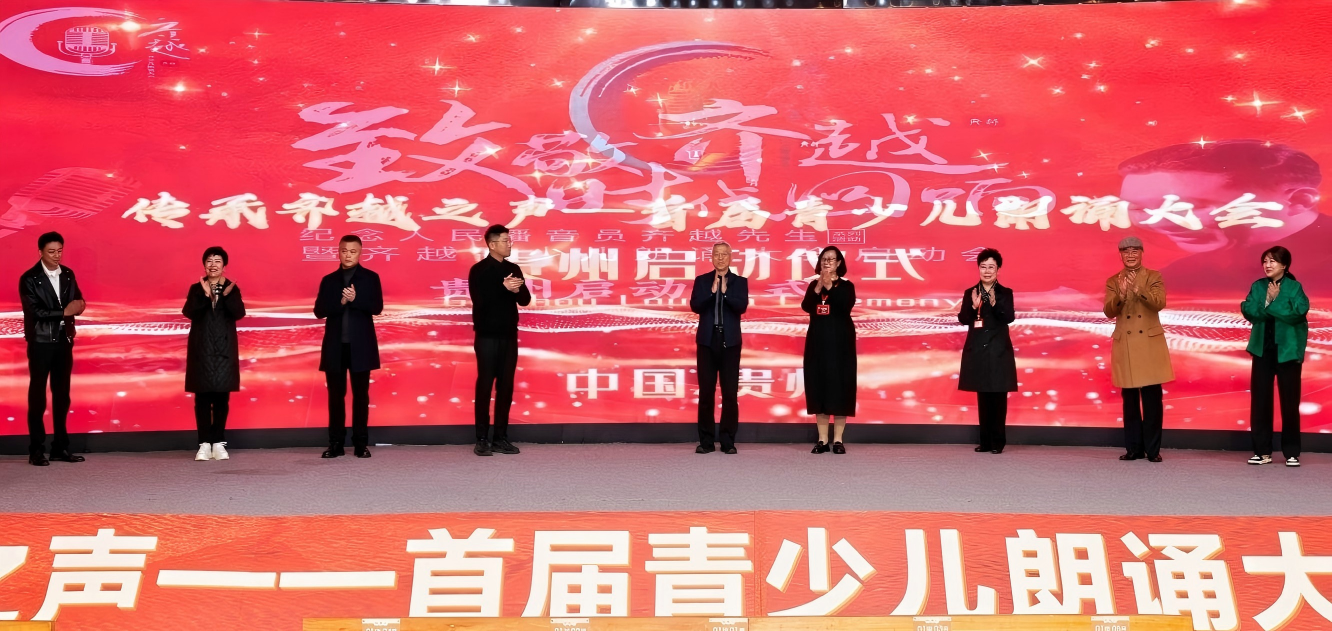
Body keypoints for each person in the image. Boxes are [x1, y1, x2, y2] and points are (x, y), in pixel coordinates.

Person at [1118, 140, 1329, 295]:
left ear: (1299, 201)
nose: (1160, 222)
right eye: (1140, 209)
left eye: (1186, 207)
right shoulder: (1178, 278)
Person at [1104, 236, 1174, 463]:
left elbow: (1159, 303)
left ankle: (1153, 450)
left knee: (1152, 399)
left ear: (1142, 253)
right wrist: (1121, 295)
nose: (1131, 255)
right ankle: (1134, 449)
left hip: (1149, 344)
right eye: (1126, 251)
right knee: (1130, 400)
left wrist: (1138, 289)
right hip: (1125, 343)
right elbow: (1108, 311)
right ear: (1121, 255)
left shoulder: (1154, 276)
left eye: (1135, 251)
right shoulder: (1113, 280)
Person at [313, 234, 383, 459]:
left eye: (353, 251)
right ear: (339, 251)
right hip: (335, 347)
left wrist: (355, 299)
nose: (348, 255)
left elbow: (377, 307)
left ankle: (361, 444)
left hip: (361, 346)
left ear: (360, 253)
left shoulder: (370, 278)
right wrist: (341, 302)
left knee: (361, 396)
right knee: (336, 396)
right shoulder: (329, 280)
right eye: (344, 251)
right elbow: (319, 311)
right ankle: (336, 444)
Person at [19, 231, 86, 467]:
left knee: (62, 395)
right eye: (51, 251)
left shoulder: (67, 274)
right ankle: (36, 450)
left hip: (64, 340)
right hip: (40, 342)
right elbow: (35, 311)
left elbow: (78, 301)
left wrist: (80, 306)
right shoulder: (30, 278)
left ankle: (60, 447)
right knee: (38, 395)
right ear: (40, 252)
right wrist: (65, 311)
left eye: (59, 251)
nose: (56, 255)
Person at [1240, 246, 1310, 467]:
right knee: (1260, 401)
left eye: (1272, 261)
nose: (1267, 265)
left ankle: (1291, 452)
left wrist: (1274, 302)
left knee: (1290, 402)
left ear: (1284, 265)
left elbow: (1298, 313)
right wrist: (1268, 302)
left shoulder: (1294, 287)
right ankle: (1262, 451)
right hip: (1263, 350)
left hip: (1287, 351)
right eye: (1265, 261)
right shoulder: (1258, 286)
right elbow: (1249, 310)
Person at [467, 224, 531, 457]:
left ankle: (500, 438)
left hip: (508, 335)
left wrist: (515, 290)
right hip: (486, 336)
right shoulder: (479, 270)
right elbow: (480, 301)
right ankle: (482, 438)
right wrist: (502, 288)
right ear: (492, 244)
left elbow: (525, 300)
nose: (509, 244)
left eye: (510, 240)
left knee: (506, 386)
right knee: (485, 385)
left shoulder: (513, 268)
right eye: (505, 241)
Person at [183, 246, 246, 461]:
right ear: (204, 265)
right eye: (209, 261)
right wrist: (204, 295)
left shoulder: (232, 289)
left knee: (221, 398)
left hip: (224, 352)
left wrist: (226, 296)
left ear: (224, 266)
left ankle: (218, 442)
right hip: (201, 350)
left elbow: (239, 313)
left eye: (217, 261)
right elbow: (188, 312)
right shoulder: (196, 288)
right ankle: (203, 444)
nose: (213, 265)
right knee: (202, 399)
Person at [689, 242, 748, 454]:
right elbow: (695, 305)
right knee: (706, 392)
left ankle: (727, 441)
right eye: (717, 254)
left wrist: (724, 294)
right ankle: (706, 441)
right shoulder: (702, 280)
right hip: (707, 341)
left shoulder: (739, 282)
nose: (720, 258)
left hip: (730, 342)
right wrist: (711, 292)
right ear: (712, 257)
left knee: (730, 393)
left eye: (724, 254)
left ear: (730, 257)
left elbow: (741, 306)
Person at [957, 248, 1017, 454]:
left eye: (991, 267)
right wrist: (973, 307)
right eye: (983, 267)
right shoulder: (970, 292)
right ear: (978, 268)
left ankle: (998, 442)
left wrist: (994, 303)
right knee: (983, 396)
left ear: (998, 269)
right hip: (978, 350)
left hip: (999, 350)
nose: (987, 271)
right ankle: (985, 442)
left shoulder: (1005, 293)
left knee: (998, 396)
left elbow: (1009, 317)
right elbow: (963, 319)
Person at [801, 246, 857, 454]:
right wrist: (818, 287)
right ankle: (822, 440)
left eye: (831, 259)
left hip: (841, 343)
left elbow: (844, 306)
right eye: (824, 259)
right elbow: (806, 306)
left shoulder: (846, 286)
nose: (827, 262)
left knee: (840, 387)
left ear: (839, 263)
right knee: (819, 386)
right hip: (817, 342)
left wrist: (829, 286)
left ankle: (838, 440)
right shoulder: (813, 285)